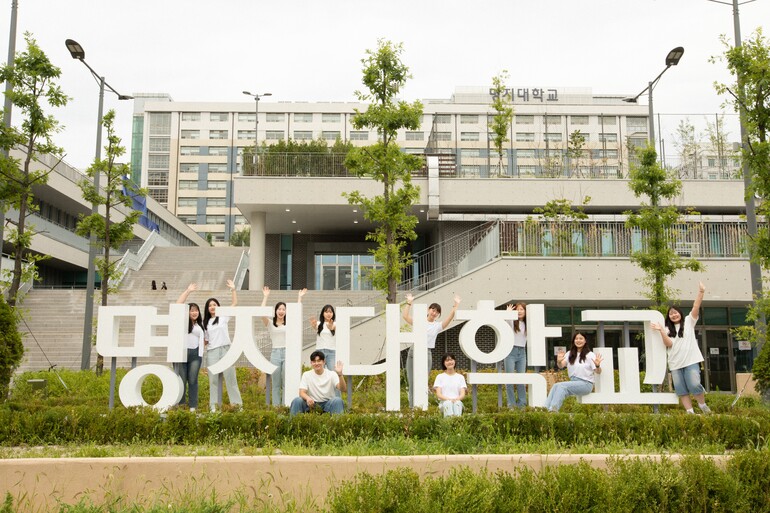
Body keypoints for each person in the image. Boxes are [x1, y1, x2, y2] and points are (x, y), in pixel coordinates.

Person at [651, 282, 711, 414]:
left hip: (691, 361)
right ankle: (690, 412)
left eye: (675, 313)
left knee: (694, 384)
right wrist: (661, 330)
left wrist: (701, 292)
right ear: (669, 317)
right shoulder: (667, 329)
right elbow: (669, 344)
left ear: (680, 313)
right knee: (681, 390)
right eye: (671, 314)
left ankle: (702, 406)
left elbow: (696, 306)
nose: (673, 315)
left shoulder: (689, 321)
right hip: (675, 364)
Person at [402, 293, 461, 408]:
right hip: (413, 352)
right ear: (429, 310)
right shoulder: (419, 321)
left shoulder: (437, 326)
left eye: (437, 312)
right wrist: (409, 302)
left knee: (423, 381)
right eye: (433, 310)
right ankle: (412, 407)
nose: (434, 313)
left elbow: (449, 318)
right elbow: (405, 316)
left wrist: (456, 305)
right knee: (412, 381)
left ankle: (422, 406)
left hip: (427, 352)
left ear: (438, 315)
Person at [261, 286, 306, 406]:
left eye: (283, 309)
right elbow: (261, 313)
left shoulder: (290, 322)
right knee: (276, 383)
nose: (281, 311)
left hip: (288, 353)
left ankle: (286, 406)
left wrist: (299, 298)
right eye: (279, 309)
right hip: (275, 353)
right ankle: (276, 408)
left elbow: (296, 313)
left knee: (287, 381)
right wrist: (265, 296)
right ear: (275, 311)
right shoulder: (270, 323)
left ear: (286, 311)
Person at [203, 279, 243, 411]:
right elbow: (206, 341)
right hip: (212, 352)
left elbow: (235, 304)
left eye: (214, 304)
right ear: (207, 309)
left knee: (231, 379)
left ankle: (237, 406)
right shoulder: (206, 323)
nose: (212, 307)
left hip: (226, 350)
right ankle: (213, 407)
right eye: (210, 305)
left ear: (218, 306)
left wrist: (233, 289)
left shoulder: (223, 316)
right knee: (213, 381)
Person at [544, 331, 603, 412]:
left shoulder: (590, 355)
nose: (578, 340)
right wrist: (558, 361)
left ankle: (553, 410)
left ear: (585, 341)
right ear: (574, 341)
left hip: (586, 384)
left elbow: (598, 371)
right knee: (555, 386)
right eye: (576, 338)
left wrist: (597, 365)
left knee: (561, 386)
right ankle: (544, 410)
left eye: (581, 338)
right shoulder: (570, 354)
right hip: (574, 382)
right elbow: (561, 366)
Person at [174, 283, 205, 410]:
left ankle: (193, 406)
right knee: (181, 381)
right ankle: (181, 405)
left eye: (196, 310)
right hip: (181, 353)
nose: (194, 312)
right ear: (187, 312)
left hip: (195, 355)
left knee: (193, 380)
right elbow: (178, 305)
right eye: (192, 310)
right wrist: (188, 291)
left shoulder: (200, 325)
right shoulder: (182, 321)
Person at [289, 350, 347, 416]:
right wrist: (308, 399)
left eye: (319, 361)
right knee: (297, 400)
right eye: (314, 361)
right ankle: (293, 424)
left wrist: (340, 374)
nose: (316, 363)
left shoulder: (332, 374)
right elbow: (301, 392)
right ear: (311, 363)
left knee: (337, 400)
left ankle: (338, 425)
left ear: (324, 362)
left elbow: (343, 389)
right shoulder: (306, 374)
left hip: (327, 404)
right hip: (312, 404)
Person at [503, 302, 528, 408]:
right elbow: (505, 320)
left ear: (526, 311)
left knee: (521, 379)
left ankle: (522, 404)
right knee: (509, 379)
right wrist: (508, 312)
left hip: (522, 352)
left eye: (522, 309)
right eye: (517, 309)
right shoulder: (512, 322)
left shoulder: (528, 323)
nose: (519, 311)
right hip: (511, 351)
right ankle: (511, 405)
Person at [310, 305, 337, 372]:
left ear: (333, 314)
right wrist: (313, 325)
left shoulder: (335, 324)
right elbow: (314, 327)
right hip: (320, 351)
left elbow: (334, 328)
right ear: (323, 313)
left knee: (332, 372)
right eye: (326, 312)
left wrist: (331, 328)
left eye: (330, 312)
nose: (328, 314)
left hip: (332, 351)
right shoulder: (319, 324)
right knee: (319, 371)